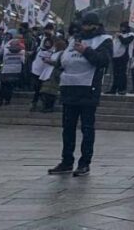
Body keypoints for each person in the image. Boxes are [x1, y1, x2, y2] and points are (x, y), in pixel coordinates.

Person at [48, 12, 113, 177]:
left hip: (88, 88)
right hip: (69, 87)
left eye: (86, 25)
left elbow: (103, 61)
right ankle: (66, 161)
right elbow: (66, 59)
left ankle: (84, 163)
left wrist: (86, 51)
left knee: (87, 128)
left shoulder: (104, 40)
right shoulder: (73, 40)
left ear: (95, 25)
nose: (82, 28)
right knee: (68, 128)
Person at [0, 33, 26, 106]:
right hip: (15, 71)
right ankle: (7, 100)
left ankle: (0, 99)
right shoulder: (22, 52)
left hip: (5, 70)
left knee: (3, 85)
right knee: (10, 87)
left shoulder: (6, 50)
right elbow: (23, 61)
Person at [109, 22, 134, 95]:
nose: (122, 29)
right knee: (115, 73)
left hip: (124, 55)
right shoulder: (118, 35)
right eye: (121, 27)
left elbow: (125, 42)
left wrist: (120, 36)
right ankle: (114, 88)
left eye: (124, 27)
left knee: (122, 73)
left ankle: (122, 89)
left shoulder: (131, 35)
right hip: (115, 55)